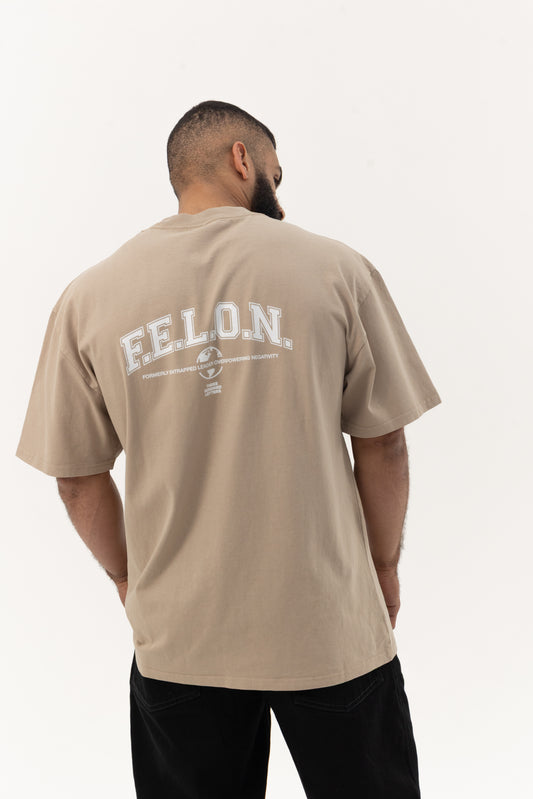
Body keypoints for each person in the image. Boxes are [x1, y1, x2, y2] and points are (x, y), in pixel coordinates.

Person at [16, 99, 442, 798]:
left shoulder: (88, 297)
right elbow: (384, 440)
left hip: (180, 638)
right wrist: (384, 566)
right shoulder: (336, 268)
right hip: (328, 624)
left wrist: (129, 581)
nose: (279, 192)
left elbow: (75, 477)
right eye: (276, 172)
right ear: (242, 159)